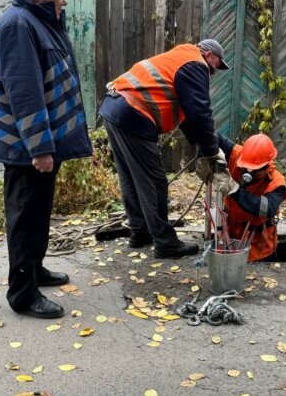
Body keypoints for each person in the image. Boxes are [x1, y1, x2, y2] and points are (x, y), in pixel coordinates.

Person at [0, 0, 92, 319]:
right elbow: (25, 92)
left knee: (38, 213)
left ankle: (35, 269)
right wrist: (40, 147)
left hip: (40, 143)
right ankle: (22, 293)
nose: (64, 2)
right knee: (25, 219)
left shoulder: (38, 22)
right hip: (26, 147)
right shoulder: (18, 25)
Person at [98, 40, 228, 259]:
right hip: (132, 113)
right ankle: (166, 243)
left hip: (115, 108)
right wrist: (211, 151)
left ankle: (140, 233)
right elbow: (200, 112)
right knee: (155, 181)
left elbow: (188, 118)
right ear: (208, 54)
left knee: (130, 178)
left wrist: (203, 145)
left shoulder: (179, 59)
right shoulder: (196, 65)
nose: (215, 71)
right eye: (217, 64)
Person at [215, 133, 286, 262]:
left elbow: (267, 208)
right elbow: (214, 135)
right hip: (229, 236)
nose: (248, 173)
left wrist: (234, 190)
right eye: (245, 168)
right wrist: (205, 149)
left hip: (257, 245)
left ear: (268, 164)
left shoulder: (277, 183)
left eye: (255, 170)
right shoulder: (238, 156)